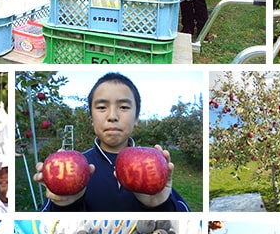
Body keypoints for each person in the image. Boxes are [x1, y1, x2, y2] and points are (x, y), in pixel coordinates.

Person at [34, 72, 190, 212]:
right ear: (92, 119)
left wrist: (159, 205)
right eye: (102, 107)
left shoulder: (154, 167)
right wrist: (65, 205)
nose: (112, 116)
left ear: (136, 118)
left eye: (123, 107)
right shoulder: (81, 166)